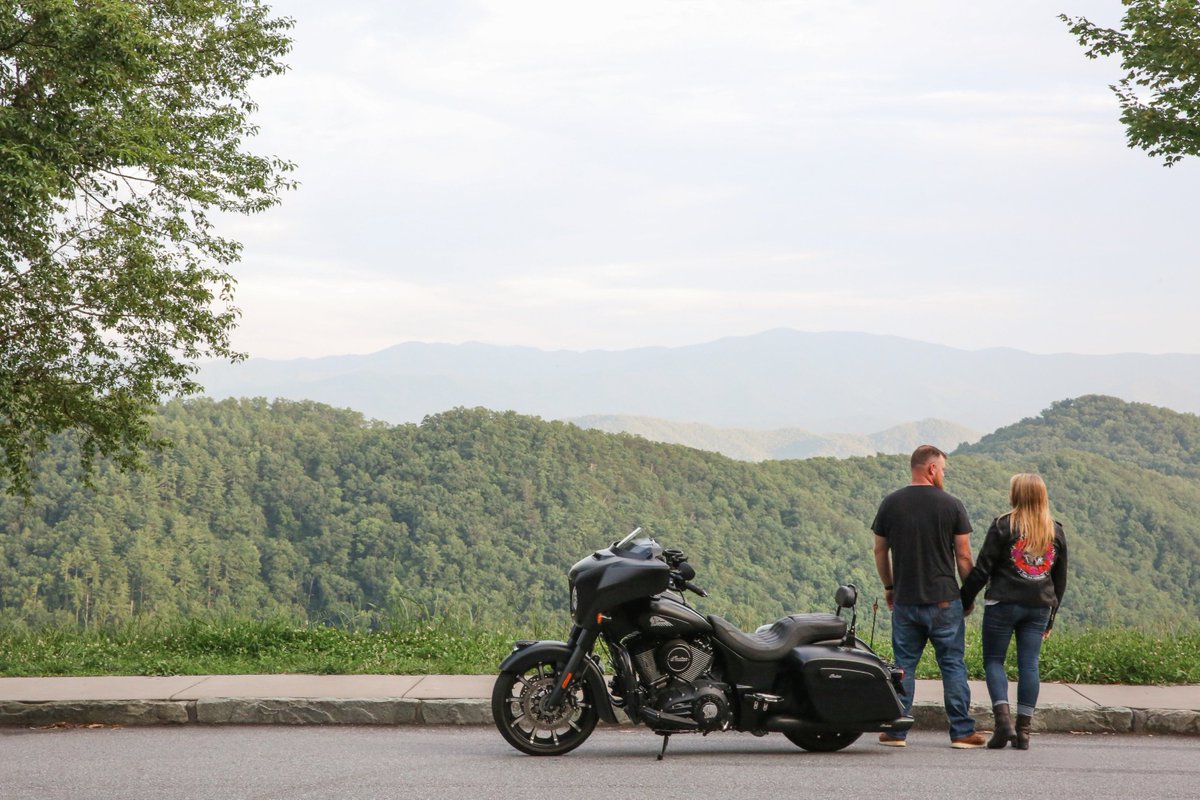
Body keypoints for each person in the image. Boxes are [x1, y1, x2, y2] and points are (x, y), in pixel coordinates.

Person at [872, 444, 986, 749]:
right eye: (943, 469)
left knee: (903, 666)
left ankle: (896, 731)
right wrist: (968, 595)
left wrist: (889, 587)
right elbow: (964, 556)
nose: (943, 474)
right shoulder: (952, 505)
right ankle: (961, 732)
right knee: (952, 665)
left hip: (906, 600)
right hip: (945, 601)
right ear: (932, 469)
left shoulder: (890, 503)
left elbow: (880, 551)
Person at [961, 473, 1068, 751]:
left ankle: (1003, 723)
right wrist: (1051, 617)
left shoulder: (1003, 525)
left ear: (1016, 494)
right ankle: (1024, 731)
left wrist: (964, 601)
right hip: (1039, 606)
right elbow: (1060, 580)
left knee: (994, 661)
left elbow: (982, 569)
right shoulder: (1055, 530)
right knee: (1029, 664)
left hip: (1003, 602)